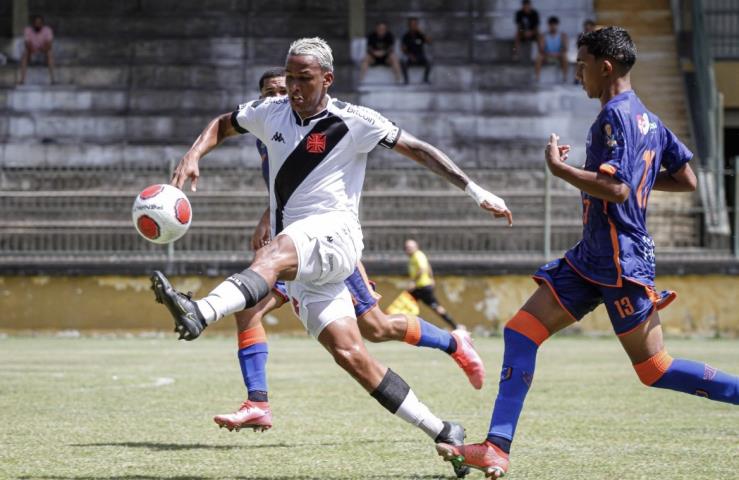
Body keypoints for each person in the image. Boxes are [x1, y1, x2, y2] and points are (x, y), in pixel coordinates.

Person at [152, 37, 511, 473]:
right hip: (304, 258)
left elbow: (418, 149)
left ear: (327, 78)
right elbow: (223, 124)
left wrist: (475, 191)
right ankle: (443, 431)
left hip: (334, 236)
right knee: (352, 354)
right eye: (290, 78)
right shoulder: (271, 112)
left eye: (304, 79)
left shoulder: (354, 120)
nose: (294, 87)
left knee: (274, 254)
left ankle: (200, 311)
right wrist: (194, 153)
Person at [437, 26, 739, 478]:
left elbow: (617, 189)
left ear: (605, 66)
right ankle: (497, 446)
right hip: (591, 257)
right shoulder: (648, 120)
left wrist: (561, 170)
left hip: (619, 261)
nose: (577, 75)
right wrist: (632, 179)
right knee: (521, 332)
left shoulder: (613, 118)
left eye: (581, 66)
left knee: (655, 368)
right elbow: (685, 178)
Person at [208, 69, 485, 439]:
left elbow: (328, 202)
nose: (279, 97)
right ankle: (258, 402)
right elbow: (287, 193)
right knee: (249, 308)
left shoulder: (324, 126)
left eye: (283, 89)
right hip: (288, 249)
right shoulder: (269, 128)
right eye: (269, 93)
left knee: (378, 328)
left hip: (321, 249)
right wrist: (267, 218)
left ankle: (454, 342)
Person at [404, 239, 457, 330]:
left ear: (416, 247)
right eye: (406, 248)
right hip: (418, 288)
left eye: (410, 247)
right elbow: (428, 266)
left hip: (423, 287)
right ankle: (405, 328)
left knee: (436, 308)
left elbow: (422, 268)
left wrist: (413, 281)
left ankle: (455, 326)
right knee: (406, 304)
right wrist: (432, 278)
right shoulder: (414, 257)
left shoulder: (418, 255)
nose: (408, 250)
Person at [18, 14, 55, 85]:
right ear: (33, 24)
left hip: (43, 52)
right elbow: (27, 44)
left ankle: (52, 79)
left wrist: (42, 49)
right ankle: (22, 79)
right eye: (36, 23)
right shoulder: (27, 30)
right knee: (25, 54)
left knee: (49, 53)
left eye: (39, 23)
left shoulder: (47, 30)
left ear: (42, 24)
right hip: (31, 51)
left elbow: (49, 45)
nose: (37, 25)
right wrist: (32, 50)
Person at [535, 16, 568, 83]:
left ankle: (565, 77)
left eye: (554, 25)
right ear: (548, 25)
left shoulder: (562, 35)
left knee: (565, 56)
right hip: (547, 56)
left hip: (558, 56)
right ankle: (537, 78)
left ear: (557, 25)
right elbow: (541, 49)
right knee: (539, 57)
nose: (553, 26)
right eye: (551, 25)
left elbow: (565, 48)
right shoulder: (543, 36)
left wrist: (558, 54)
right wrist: (549, 54)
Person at [401, 17, 432, 84]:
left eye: (415, 24)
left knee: (429, 63)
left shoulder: (420, 34)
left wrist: (421, 32)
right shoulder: (406, 36)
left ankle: (425, 79)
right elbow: (403, 49)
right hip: (410, 56)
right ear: (409, 25)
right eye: (412, 24)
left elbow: (429, 42)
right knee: (403, 63)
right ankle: (406, 80)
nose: (413, 26)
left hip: (420, 56)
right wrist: (410, 55)